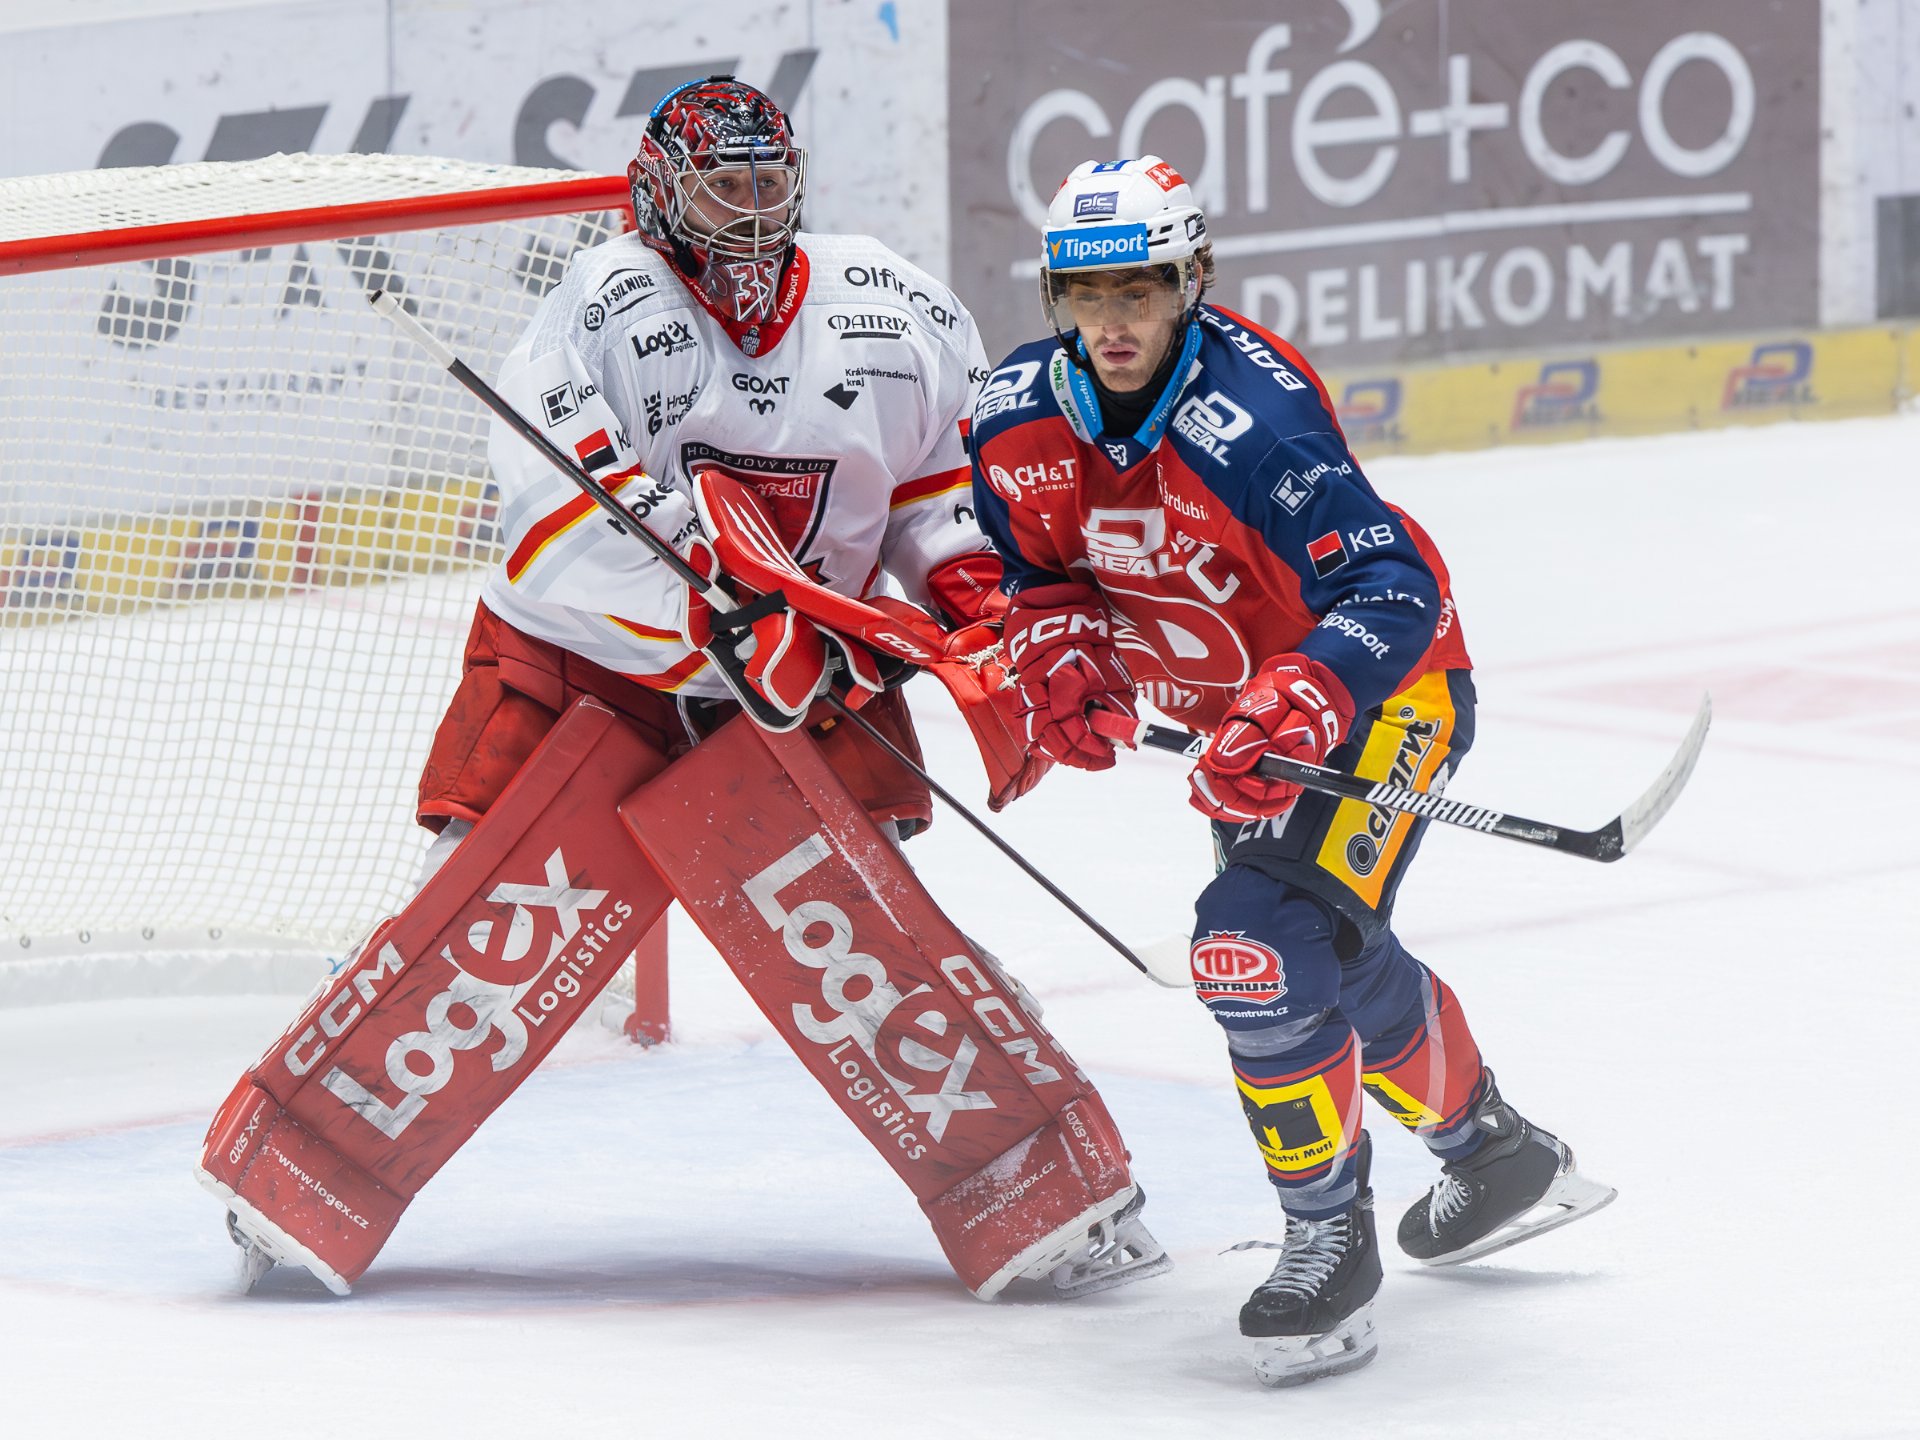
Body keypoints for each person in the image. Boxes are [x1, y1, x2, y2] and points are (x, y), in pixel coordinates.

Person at [209, 78, 1170, 1302]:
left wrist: (992, 617)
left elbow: (944, 502)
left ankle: (1049, 1201)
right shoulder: (602, 305)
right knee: (467, 937)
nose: (754, 213)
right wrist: (715, 622)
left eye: (771, 183)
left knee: (879, 942)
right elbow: (554, 527)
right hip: (590, 670)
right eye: (726, 188)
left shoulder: (896, 308)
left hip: (807, 677)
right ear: (662, 194)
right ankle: (292, 1180)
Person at [968, 155, 1616, 1386]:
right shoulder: (1012, 417)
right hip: (1248, 726)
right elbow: (1033, 571)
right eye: (1084, 295)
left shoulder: (1253, 425)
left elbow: (1391, 587)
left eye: (1139, 291)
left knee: (1251, 947)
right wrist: (1058, 650)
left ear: (1192, 281)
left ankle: (1329, 1242)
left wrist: (1302, 699)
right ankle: (1491, 1154)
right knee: (1328, 948)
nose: (1112, 323)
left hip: (1380, 692)